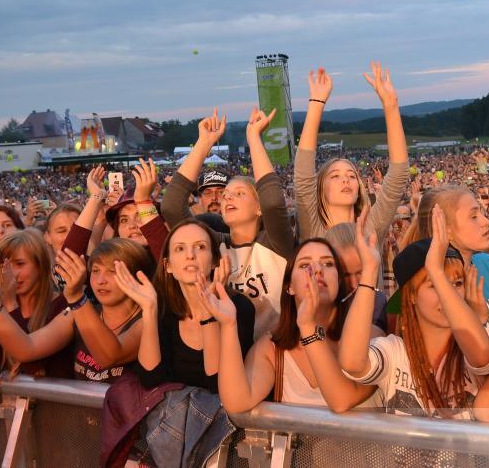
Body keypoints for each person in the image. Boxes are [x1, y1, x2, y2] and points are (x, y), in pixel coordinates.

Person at [339, 206, 489, 418]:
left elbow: (482, 357)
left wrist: (435, 271)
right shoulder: (395, 352)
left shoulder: (486, 338)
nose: (448, 294)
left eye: (457, 283)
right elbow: (352, 362)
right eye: (434, 285)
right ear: (412, 296)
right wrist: (369, 272)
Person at [162, 108, 297, 339]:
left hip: (274, 351)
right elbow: (172, 206)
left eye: (239, 193)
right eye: (226, 195)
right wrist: (204, 143)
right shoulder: (214, 245)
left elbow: (274, 203)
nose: (227, 197)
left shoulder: (275, 243)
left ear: (258, 208)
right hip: (226, 351)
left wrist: (254, 138)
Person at [204, 236, 378, 413]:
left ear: (339, 281)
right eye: (304, 265)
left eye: (328, 264)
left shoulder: (372, 337)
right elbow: (237, 402)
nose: (317, 269)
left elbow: (342, 401)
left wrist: (307, 326)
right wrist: (228, 325)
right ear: (290, 287)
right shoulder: (272, 349)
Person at [113, 218, 256, 391]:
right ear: (168, 266)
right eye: (180, 248)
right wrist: (149, 311)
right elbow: (150, 380)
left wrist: (207, 314)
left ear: (214, 261)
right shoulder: (164, 308)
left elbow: (217, 386)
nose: (190, 255)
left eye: (200, 247)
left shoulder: (239, 307)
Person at [295, 63, 409, 244]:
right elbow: (303, 176)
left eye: (352, 176)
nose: (346, 180)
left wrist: (391, 105)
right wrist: (316, 104)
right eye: (335, 176)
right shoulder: (313, 230)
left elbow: (398, 174)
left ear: (359, 189)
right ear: (320, 188)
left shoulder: (371, 228)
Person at [0, 230, 74, 377]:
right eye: (4, 265)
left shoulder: (62, 307)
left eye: (19, 264)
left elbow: (31, 367)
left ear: (40, 264)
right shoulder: (1, 310)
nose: (11, 273)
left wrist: (11, 305)